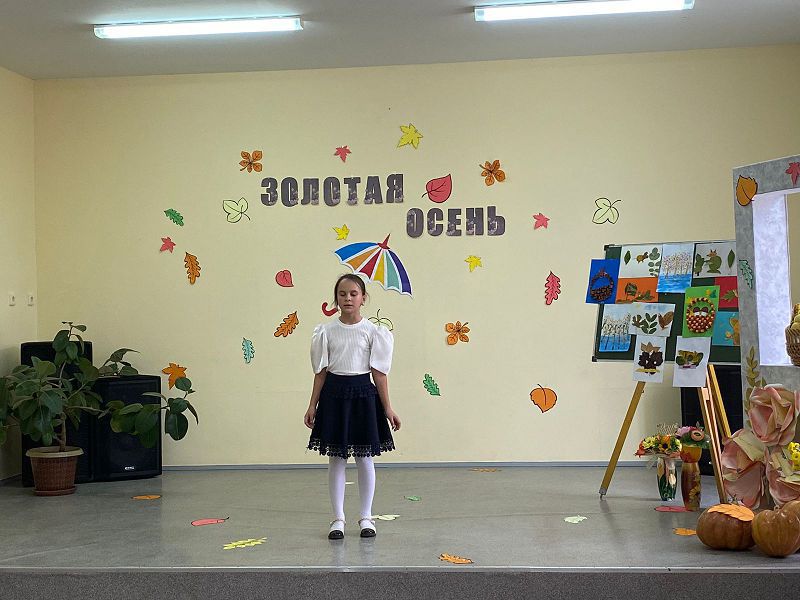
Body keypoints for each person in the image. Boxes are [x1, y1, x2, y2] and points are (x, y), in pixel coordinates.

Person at [304, 274, 401, 540]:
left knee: (364, 457)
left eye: (353, 294)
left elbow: (379, 374)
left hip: (363, 397)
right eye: (342, 294)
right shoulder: (326, 331)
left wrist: (388, 408)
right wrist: (312, 404)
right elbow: (321, 373)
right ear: (336, 298)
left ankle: (366, 517)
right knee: (336, 458)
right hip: (334, 396)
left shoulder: (373, 332)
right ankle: (338, 518)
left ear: (363, 298)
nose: (348, 298)